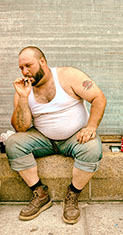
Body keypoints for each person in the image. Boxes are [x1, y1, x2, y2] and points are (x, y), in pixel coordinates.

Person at [5, 46, 106, 224]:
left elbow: (98, 98)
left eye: (28, 65)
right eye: (21, 68)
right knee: (13, 143)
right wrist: (22, 98)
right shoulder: (23, 90)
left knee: (92, 149)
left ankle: (73, 195)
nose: (25, 71)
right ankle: (40, 194)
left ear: (42, 62)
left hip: (74, 137)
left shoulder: (68, 76)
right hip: (43, 139)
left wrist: (91, 127)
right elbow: (21, 128)